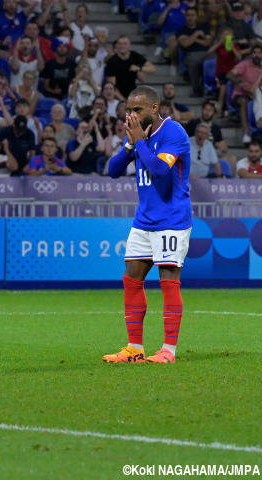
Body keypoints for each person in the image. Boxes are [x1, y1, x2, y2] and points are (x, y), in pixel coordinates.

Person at [104, 85, 192, 364]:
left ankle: (168, 350)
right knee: (131, 279)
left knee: (168, 281)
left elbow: (159, 169)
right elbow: (114, 171)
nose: (131, 115)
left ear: (154, 108)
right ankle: (134, 348)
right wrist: (131, 144)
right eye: (129, 109)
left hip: (172, 220)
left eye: (137, 109)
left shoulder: (173, 132)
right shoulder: (138, 136)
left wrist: (139, 142)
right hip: (144, 220)